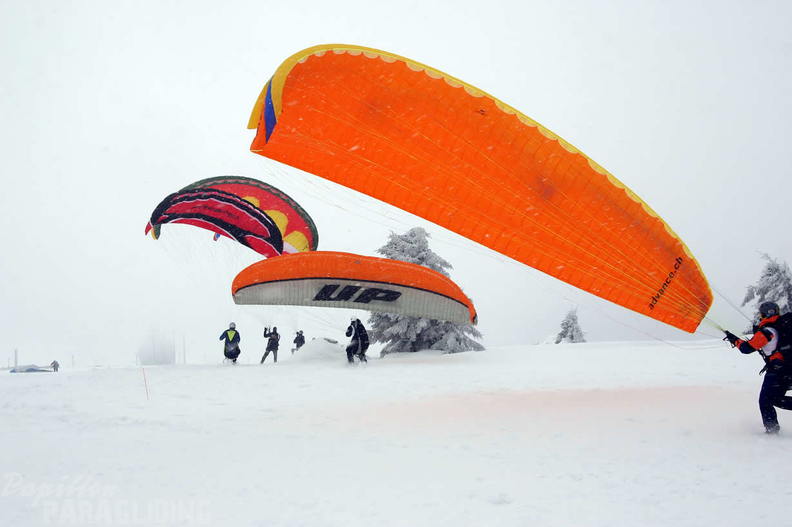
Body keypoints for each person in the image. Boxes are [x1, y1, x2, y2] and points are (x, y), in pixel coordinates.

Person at [724, 301, 792, 434]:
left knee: (765, 400)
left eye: (761, 315)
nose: (760, 317)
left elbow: (746, 348)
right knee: (775, 399)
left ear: (766, 314)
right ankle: (772, 428)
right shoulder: (779, 327)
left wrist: (734, 340)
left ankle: (772, 430)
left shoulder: (768, 331)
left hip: (778, 371)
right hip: (787, 369)